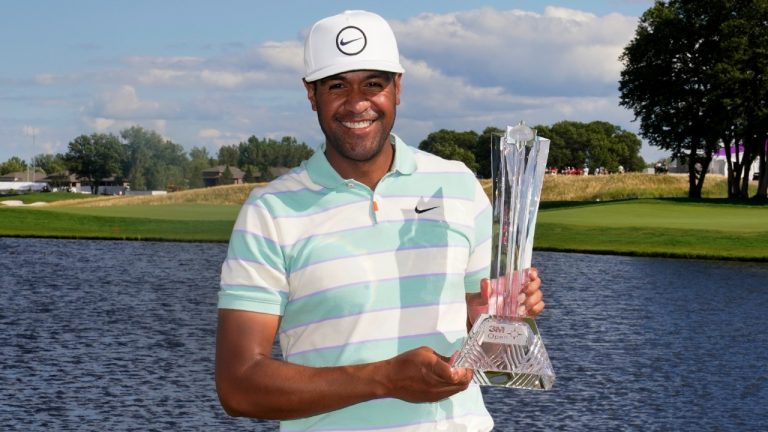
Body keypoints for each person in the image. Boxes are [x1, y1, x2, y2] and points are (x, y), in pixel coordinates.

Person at [215, 10, 545, 431]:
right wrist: (383, 379)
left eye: (374, 83)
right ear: (311, 94)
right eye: (337, 86)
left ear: (398, 88)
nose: (357, 103)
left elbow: (490, 346)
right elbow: (238, 386)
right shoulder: (270, 212)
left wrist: (489, 317)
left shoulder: (456, 184)